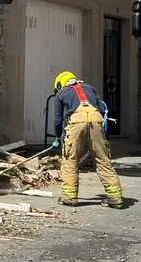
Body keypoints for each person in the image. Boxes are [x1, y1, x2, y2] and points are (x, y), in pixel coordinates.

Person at [51, 70, 123, 208]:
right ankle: (115, 197)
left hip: (76, 122)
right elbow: (102, 108)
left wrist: (57, 137)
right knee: (103, 160)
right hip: (96, 120)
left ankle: (69, 197)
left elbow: (57, 120)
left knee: (70, 160)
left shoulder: (61, 93)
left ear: (60, 84)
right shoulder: (90, 88)